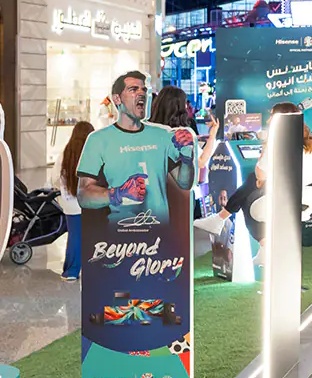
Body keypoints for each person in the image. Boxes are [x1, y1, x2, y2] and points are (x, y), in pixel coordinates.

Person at [194, 103, 312, 266]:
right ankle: (226, 223)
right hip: (310, 192)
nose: (268, 120)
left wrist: (263, 158)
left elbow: (260, 173)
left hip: (286, 195)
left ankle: (253, 238)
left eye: (272, 115)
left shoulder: (278, 142)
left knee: (248, 199)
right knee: (251, 184)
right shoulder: (306, 142)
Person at [77, 71, 195, 224]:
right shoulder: (98, 140)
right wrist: (118, 194)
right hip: (119, 237)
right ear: (117, 99)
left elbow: (185, 183)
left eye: (144, 90)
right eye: (133, 89)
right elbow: (83, 196)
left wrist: (186, 159)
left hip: (159, 234)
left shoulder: (162, 135)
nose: (141, 94)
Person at [149, 85, 220, 178]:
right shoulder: (182, 135)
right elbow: (201, 162)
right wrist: (212, 136)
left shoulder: (149, 131)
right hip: (177, 189)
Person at [52, 121, 93, 280]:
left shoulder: (65, 153)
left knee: (75, 236)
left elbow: (54, 178)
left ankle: (71, 272)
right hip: (91, 202)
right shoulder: (94, 152)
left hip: (70, 203)